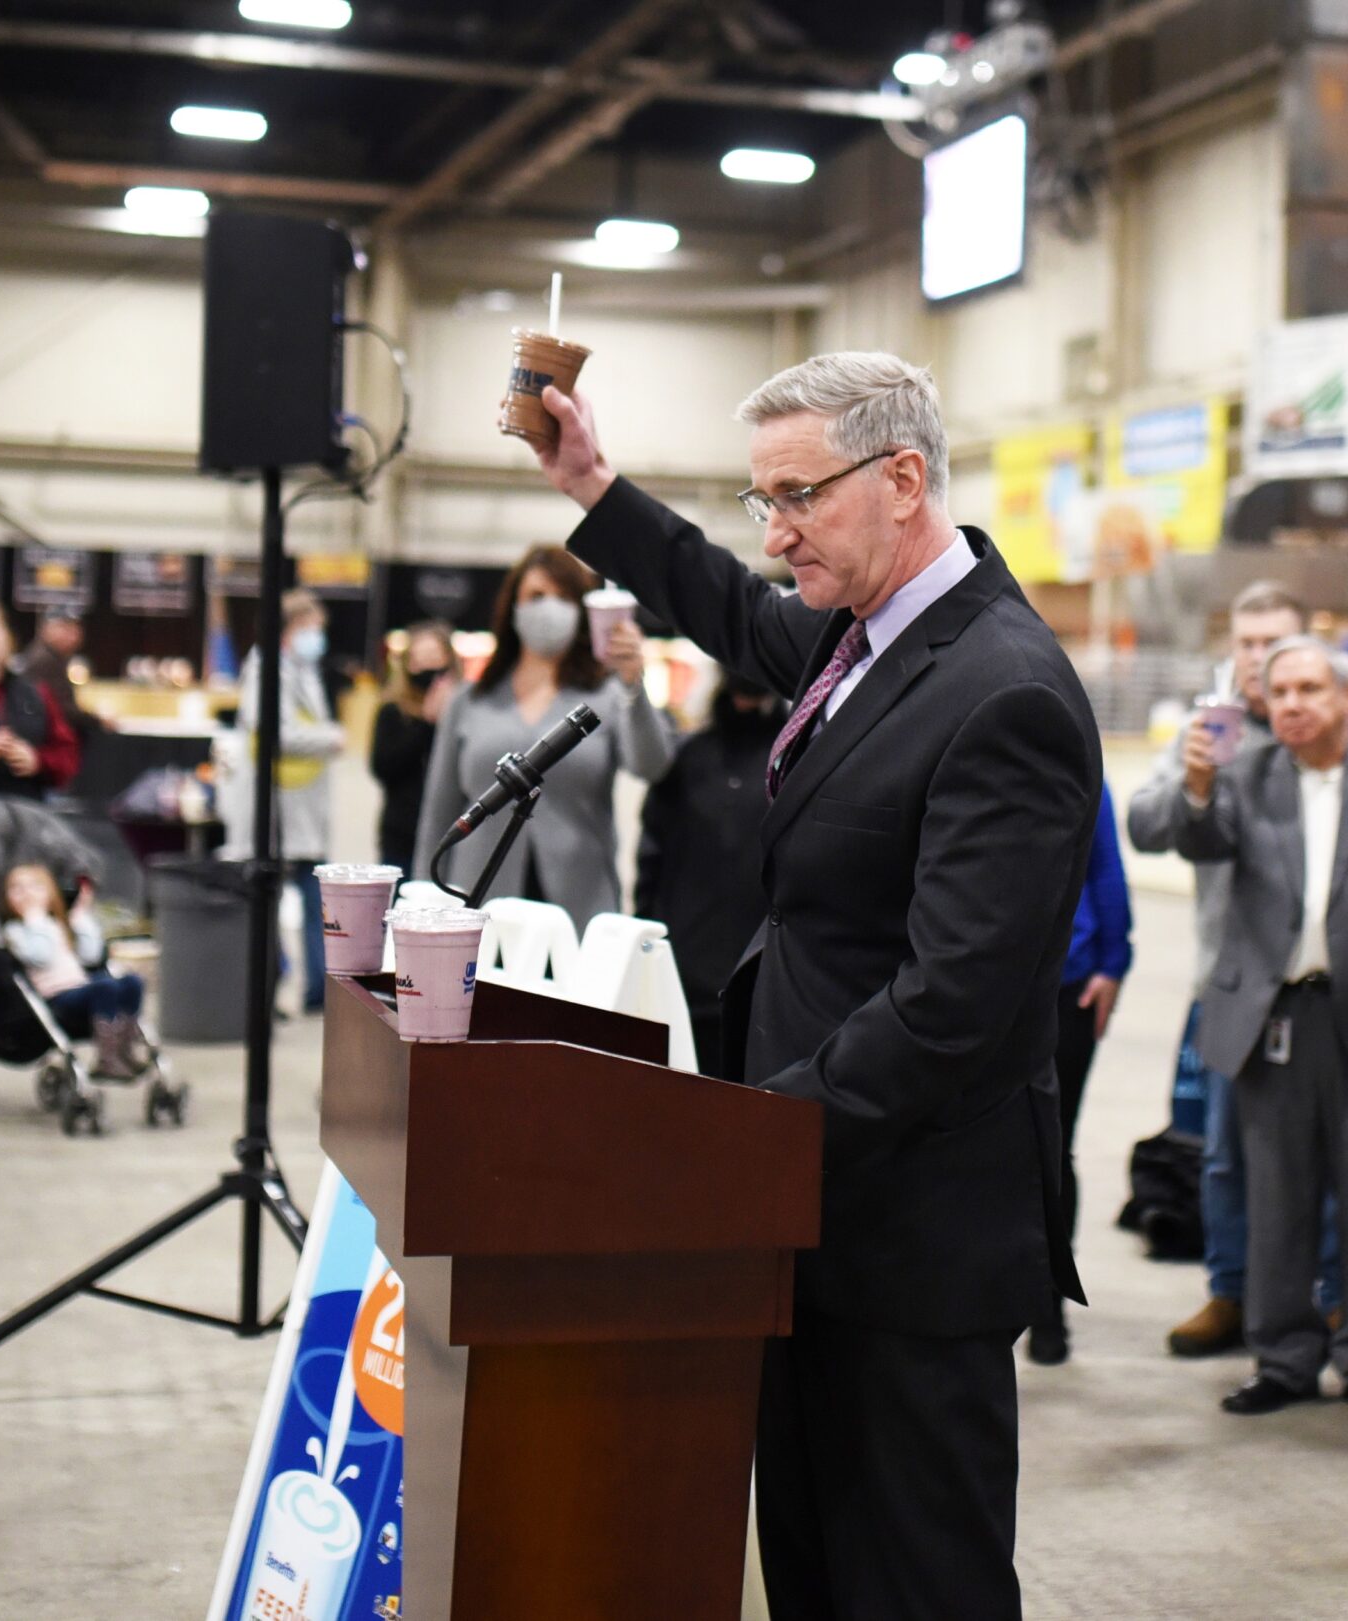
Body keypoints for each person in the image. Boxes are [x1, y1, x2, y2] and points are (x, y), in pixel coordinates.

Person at [531, 352, 1100, 1621]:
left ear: (904, 480)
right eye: (763, 501)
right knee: (813, 1569)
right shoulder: (867, 642)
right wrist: (593, 486)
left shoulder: (1003, 692)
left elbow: (951, 1000)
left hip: (912, 1239)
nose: (777, 530)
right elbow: (730, 609)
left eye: (798, 497)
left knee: (914, 1581)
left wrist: (752, 1136)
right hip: (811, 1207)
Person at [1159, 635, 1348, 1428]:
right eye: (1278, 690)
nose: (1290, 703)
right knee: (1276, 1199)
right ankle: (1283, 1356)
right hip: (1272, 1019)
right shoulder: (1244, 776)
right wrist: (1195, 781)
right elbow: (1195, 839)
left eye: (1309, 689)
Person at [1127, 582, 1339, 1358]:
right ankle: (1231, 1292)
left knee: (1330, 1155)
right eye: (1246, 642)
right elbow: (1145, 826)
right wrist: (1195, 779)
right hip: (1228, 984)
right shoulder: (1208, 727)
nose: (1257, 658)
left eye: (1273, 641)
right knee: (1223, 1152)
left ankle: (1337, 1298)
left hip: (1326, 983)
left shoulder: (1329, 724)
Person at [412, 547, 676, 932]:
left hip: (578, 908)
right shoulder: (468, 701)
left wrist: (633, 685)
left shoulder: (606, 697)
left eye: (563, 597)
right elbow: (439, 809)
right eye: (536, 596)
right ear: (513, 607)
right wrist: (423, 898)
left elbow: (652, 765)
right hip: (474, 904)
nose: (549, 608)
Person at [632, 671, 784, 1081]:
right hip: (684, 981)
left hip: (764, 988)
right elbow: (651, 863)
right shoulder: (688, 757)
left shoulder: (796, 759)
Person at [1035, 779, 1132, 1366]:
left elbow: (1106, 867)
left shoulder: (1083, 772)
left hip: (1068, 985)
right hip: (981, 982)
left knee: (1053, 1146)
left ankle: (1049, 1305)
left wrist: (1115, 960)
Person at [235, 591, 344, 1011]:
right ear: (289, 629)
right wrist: (329, 738)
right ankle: (270, 980)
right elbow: (275, 735)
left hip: (304, 805)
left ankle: (316, 987)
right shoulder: (265, 672)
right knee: (269, 899)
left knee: (314, 896)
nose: (316, 637)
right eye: (309, 628)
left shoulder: (304, 670)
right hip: (276, 807)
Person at [0, 861, 149, 1076]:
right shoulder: (16, 930)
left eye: (35, 887)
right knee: (104, 986)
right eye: (17, 888)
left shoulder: (58, 924)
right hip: (57, 998)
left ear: (51, 894)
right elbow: (40, 956)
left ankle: (123, 1049)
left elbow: (91, 954)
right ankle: (106, 1059)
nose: (26, 894)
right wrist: (35, 920)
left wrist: (80, 917)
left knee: (132, 982)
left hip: (82, 989)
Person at [369, 621, 459, 875]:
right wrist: (427, 725)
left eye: (434, 658)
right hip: (402, 835)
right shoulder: (393, 711)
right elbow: (383, 768)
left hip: (452, 835)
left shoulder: (465, 711)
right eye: (420, 659)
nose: (428, 668)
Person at [0, 602, 77, 799]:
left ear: (8, 636)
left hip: (28, 815)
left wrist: (38, 760)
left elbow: (67, 754)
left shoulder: (36, 692)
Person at [16, 610, 95, 750]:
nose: (73, 636)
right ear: (46, 629)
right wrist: (97, 721)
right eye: (65, 628)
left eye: (76, 629)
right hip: (44, 744)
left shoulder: (54, 657)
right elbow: (61, 709)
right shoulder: (44, 660)